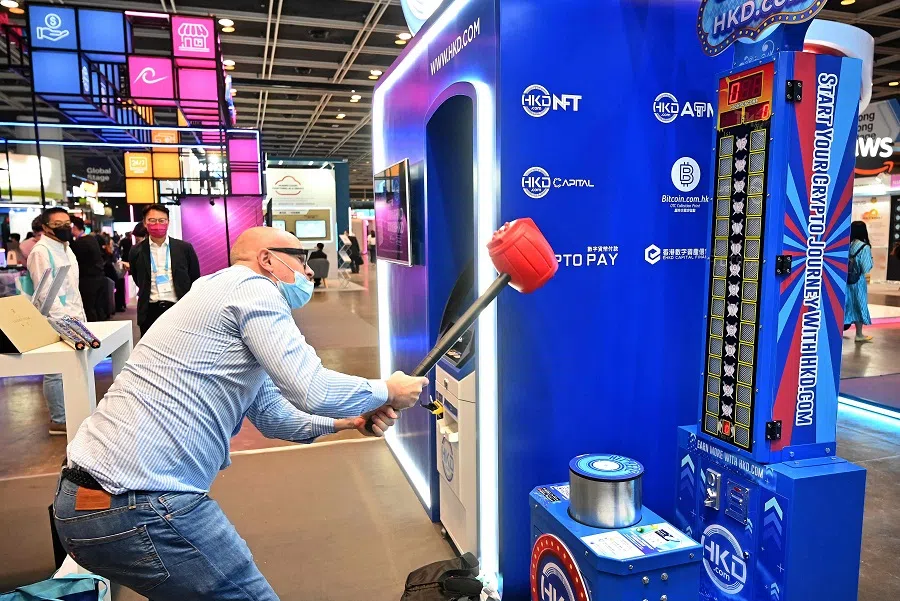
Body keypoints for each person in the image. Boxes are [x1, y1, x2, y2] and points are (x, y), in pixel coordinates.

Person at [53, 226, 427, 600]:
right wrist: (388, 389)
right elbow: (312, 389)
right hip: (141, 505)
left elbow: (273, 416)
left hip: (86, 504)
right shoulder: (253, 289)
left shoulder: (216, 295)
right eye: (300, 260)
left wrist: (349, 421)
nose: (310, 272)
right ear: (267, 259)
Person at [27, 208, 86, 435]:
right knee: (54, 370)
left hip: (74, 315)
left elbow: (72, 287)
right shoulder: (41, 252)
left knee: (72, 366)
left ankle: (71, 412)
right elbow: (46, 293)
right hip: (55, 319)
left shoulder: (66, 248)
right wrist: (64, 321)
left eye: (67, 223)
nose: (64, 227)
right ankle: (58, 419)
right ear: (45, 227)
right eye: (58, 224)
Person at [128, 204, 200, 335]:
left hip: (179, 308)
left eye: (162, 220)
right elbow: (138, 278)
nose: (157, 224)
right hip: (150, 311)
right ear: (145, 223)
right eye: (152, 220)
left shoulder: (184, 248)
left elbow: (194, 277)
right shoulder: (136, 250)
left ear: (168, 222)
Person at [70, 217, 109, 321]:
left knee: (89, 308)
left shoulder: (80, 243)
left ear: (74, 228)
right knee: (97, 307)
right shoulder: (91, 238)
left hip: (88, 280)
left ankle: (94, 333)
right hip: (98, 277)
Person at [845, 220, 875, 342]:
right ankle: (859, 334)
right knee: (859, 305)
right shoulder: (864, 247)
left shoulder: (847, 244)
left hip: (846, 280)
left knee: (847, 305)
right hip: (857, 281)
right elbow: (866, 267)